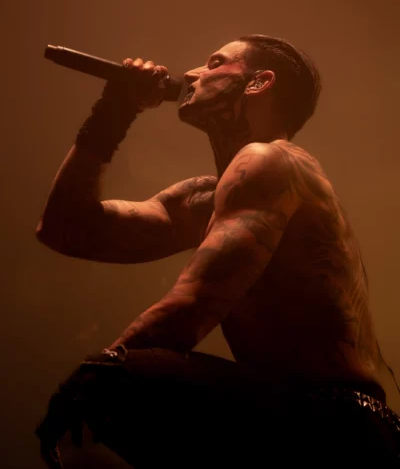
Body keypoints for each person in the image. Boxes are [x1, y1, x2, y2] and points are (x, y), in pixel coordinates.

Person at [35, 35, 400, 467]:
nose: (191, 74)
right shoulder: (206, 200)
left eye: (214, 63)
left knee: (103, 388)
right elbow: (65, 228)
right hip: (292, 417)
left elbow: (193, 306)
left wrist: (94, 377)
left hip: (343, 430)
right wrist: (113, 111)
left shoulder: (272, 161)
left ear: (259, 82)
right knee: (100, 392)